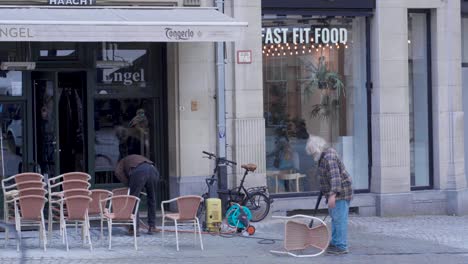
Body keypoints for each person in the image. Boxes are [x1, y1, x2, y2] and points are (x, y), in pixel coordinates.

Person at [305, 135, 353, 255]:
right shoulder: (323, 157)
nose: (312, 156)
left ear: (316, 149)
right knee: (335, 218)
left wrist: (332, 195)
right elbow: (326, 176)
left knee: (339, 220)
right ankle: (336, 242)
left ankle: (341, 246)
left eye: (312, 153)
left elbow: (335, 178)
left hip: (340, 193)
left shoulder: (329, 157)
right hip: (334, 193)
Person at [114, 154, 159, 235]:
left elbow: (118, 172)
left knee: (133, 201)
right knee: (152, 199)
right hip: (153, 170)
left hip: (139, 172)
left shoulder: (122, 161)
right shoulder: (137, 158)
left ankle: (134, 228)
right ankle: (152, 227)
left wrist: (129, 183)